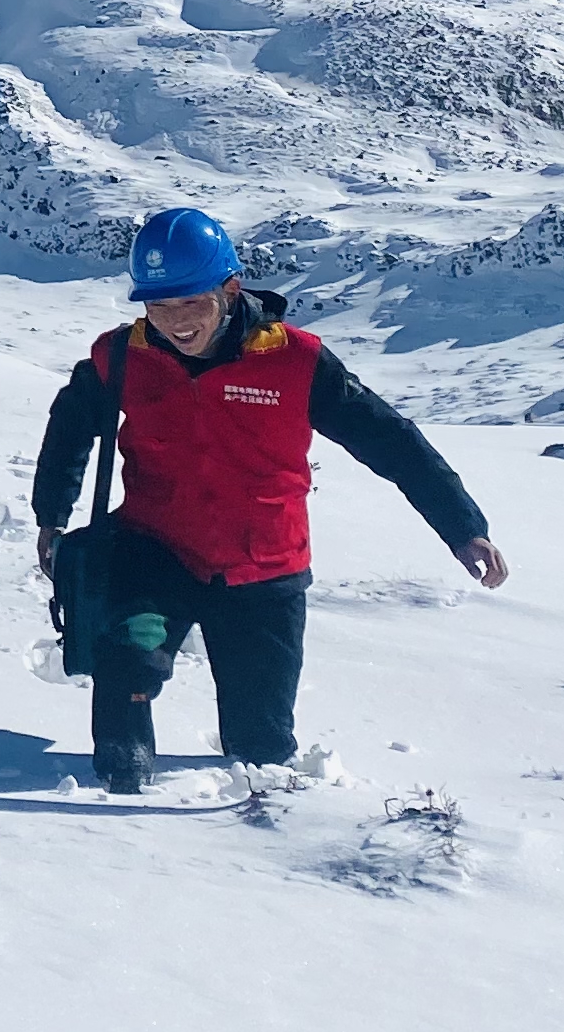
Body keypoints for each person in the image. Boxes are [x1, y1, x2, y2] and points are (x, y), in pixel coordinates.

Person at [32, 206, 510, 795]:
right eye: (158, 306)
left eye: (191, 304)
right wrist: (50, 517)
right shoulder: (120, 356)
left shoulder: (296, 360)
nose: (175, 322)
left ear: (229, 290)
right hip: (152, 546)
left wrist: (463, 526)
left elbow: (392, 441)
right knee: (127, 654)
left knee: (260, 754)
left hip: (264, 566)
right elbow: (69, 429)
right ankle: (119, 784)